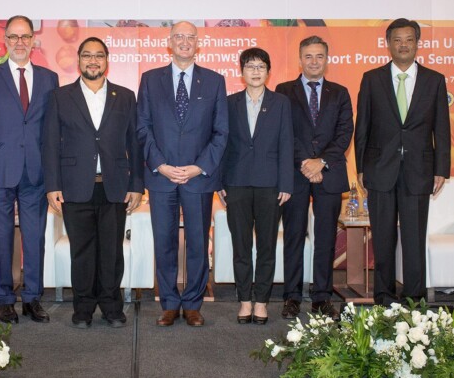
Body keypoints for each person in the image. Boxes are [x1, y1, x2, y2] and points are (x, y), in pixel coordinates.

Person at [43, 37, 144, 329]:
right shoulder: (60, 96)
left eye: (99, 55)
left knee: (112, 251)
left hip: (115, 186)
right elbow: (50, 143)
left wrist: (137, 184)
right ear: (78, 60)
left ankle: (112, 307)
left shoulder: (125, 96)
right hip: (74, 186)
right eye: (87, 55)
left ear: (107, 60)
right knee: (82, 252)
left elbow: (135, 143)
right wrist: (52, 185)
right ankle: (83, 308)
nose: (93, 61)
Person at [137, 21, 228, 327]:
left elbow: (221, 132)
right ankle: (169, 303)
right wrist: (160, 165)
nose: (185, 41)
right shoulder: (150, 80)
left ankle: (192, 303)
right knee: (164, 242)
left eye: (191, 37)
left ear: (198, 43)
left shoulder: (214, 81)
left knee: (197, 243)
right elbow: (143, 128)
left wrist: (199, 166)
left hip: (198, 177)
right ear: (170, 42)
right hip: (161, 176)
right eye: (179, 36)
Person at [0, 15, 59, 323]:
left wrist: (54, 176)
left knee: (35, 239)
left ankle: (32, 298)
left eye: (25, 37)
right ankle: (5, 299)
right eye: (13, 37)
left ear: (33, 40)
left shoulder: (49, 78)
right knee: (0, 238)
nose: (19, 42)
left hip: (36, 173)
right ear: (5, 40)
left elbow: (53, 131)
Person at [355, 18, 450, 305]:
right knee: (383, 238)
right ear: (388, 44)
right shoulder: (372, 79)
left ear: (418, 43)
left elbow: (441, 128)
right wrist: (360, 168)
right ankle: (384, 297)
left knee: (414, 238)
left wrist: (441, 169)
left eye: (409, 39)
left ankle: (414, 298)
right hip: (379, 169)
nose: (403, 45)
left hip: (419, 171)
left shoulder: (434, 80)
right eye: (397, 40)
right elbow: (363, 126)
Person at [275, 36, 353, 321]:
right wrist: (305, 162)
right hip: (294, 175)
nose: (314, 61)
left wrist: (322, 162)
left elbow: (345, 132)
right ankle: (292, 297)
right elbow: (283, 132)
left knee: (326, 238)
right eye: (308, 56)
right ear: (300, 59)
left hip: (329, 173)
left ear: (327, 59)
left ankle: (322, 297)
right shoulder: (284, 91)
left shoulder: (340, 93)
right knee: (294, 236)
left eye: (319, 56)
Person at [219, 47, 292, 325]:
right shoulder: (229, 103)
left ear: (269, 71)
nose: (256, 71)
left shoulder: (281, 103)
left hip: (270, 185)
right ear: (241, 72)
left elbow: (286, 142)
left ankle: (261, 301)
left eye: (261, 66)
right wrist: (220, 182)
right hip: (236, 183)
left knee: (266, 247)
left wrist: (286, 183)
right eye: (250, 66)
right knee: (240, 246)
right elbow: (222, 143)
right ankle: (244, 301)